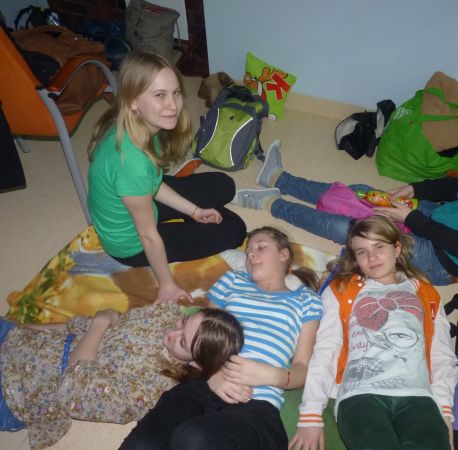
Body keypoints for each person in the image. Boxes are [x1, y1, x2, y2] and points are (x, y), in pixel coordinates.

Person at [233, 102, 458, 285]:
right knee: (364, 194)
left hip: (445, 259)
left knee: (353, 231)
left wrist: (412, 218)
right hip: (439, 217)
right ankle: (278, 177)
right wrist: (416, 189)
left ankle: (272, 204)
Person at [120, 226, 323, 450]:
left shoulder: (306, 300)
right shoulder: (233, 280)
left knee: (194, 438)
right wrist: (213, 374)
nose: (251, 254)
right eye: (248, 251)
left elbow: (302, 367)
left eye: (260, 247)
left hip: (255, 404)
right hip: (203, 387)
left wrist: (271, 374)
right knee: (143, 444)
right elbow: (202, 335)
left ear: (284, 254)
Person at [87, 52, 246, 304]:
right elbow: (147, 235)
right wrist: (167, 285)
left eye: (176, 92)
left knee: (224, 185)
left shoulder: (141, 125)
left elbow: (154, 183)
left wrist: (194, 211)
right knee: (234, 229)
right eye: (160, 95)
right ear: (133, 101)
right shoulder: (133, 162)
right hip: (132, 242)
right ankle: (190, 224)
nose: (173, 105)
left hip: (138, 194)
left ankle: (191, 215)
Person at [289, 216, 458, 450]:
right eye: (362, 252)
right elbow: (326, 351)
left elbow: (442, 355)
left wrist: (445, 411)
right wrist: (310, 414)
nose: (372, 257)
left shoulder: (427, 294)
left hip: (419, 397)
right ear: (355, 258)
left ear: (397, 248)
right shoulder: (341, 290)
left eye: (379, 246)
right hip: (360, 396)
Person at [0, 305, 243, 449]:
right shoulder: (162, 316)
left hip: (18, 391)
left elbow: (72, 391)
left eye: (181, 342)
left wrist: (99, 324)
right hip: (28, 343)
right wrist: (20, 328)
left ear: (195, 363)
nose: (172, 332)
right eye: (184, 321)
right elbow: (77, 328)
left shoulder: (150, 390)